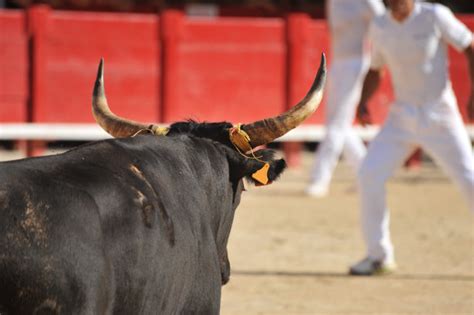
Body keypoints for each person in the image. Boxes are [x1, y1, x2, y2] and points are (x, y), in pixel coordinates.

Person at [350, 0, 474, 275]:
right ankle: (379, 255)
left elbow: (469, 46)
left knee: (470, 179)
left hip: (440, 113)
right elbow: (376, 67)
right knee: (369, 174)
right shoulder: (380, 24)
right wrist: (363, 101)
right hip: (402, 116)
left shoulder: (434, 15)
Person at [306, 0, 386, 197]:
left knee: (337, 125)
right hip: (339, 63)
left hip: (357, 63)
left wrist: (378, 59)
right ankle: (368, 174)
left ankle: (320, 178)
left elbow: (385, 23)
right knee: (339, 125)